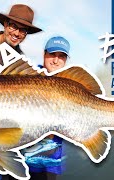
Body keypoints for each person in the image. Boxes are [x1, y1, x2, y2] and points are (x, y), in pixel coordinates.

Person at [24, 36, 70, 180]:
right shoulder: (28, 75)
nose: (56, 60)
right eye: (52, 54)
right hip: (22, 160)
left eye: (61, 56)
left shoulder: (71, 84)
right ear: (44, 54)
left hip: (50, 163)